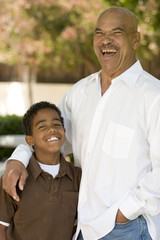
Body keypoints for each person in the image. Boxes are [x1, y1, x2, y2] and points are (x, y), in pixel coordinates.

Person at [2, 6, 160, 240]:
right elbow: (51, 139)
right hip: (83, 229)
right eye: (99, 33)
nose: (106, 41)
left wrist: (123, 213)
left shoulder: (153, 95)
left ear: (135, 40)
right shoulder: (80, 92)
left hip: (127, 229)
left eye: (116, 33)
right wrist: (18, 158)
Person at [0, 101, 81, 240]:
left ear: (65, 132)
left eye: (57, 124)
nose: (52, 129)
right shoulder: (14, 178)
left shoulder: (77, 176)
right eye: (42, 126)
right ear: (29, 140)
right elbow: (1, 227)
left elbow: (75, 226)